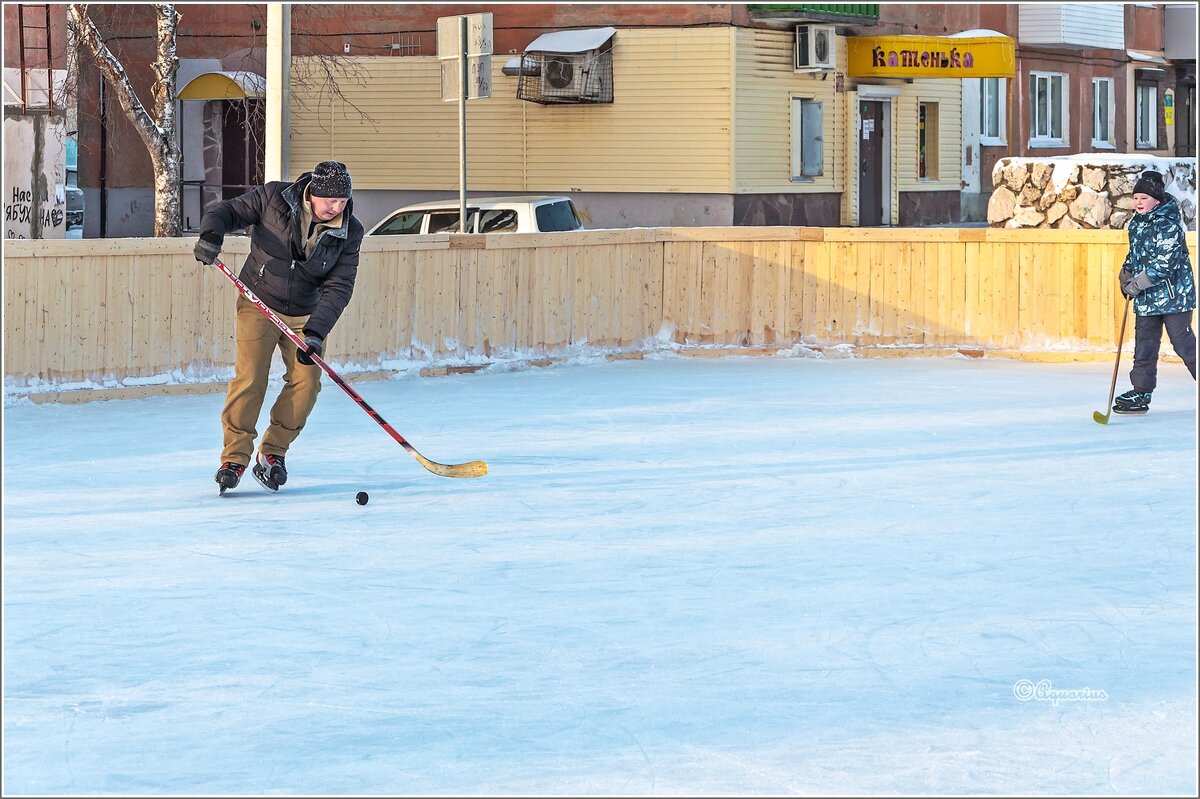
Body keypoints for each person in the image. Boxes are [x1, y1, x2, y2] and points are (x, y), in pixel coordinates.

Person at [193, 160, 364, 491]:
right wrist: (211, 235)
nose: (336, 207)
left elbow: (339, 287)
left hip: (305, 313)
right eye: (330, 200)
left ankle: (273, 452)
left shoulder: (350, 231)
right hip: (258, 300)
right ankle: (235, 456)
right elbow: (226, 212)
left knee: (307, 383)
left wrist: (315, 333)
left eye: (342, 201)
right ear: (312, 193)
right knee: (251, 377)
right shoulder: (275, 198)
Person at [1113, 169, 1197, 414]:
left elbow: (1165, 264)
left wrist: (1137, 284)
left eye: (1144, 198)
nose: (1138, 203)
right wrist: (1126, 272)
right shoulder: (1136, 225)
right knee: (1144, 346)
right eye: (1136, 198)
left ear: (1157, 200)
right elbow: (1136, 254)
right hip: (1147, 300)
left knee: (1183, 344)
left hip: (1174, 297)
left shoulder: (1169, 225)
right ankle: (1141, 391)